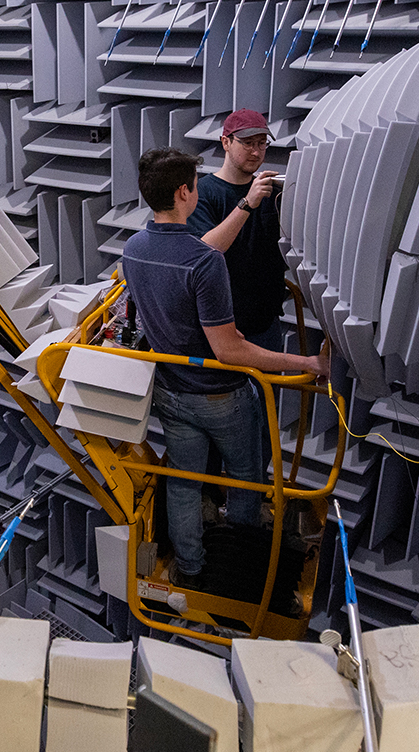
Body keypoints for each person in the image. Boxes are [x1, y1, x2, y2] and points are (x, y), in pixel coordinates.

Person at [121, 148, 328, 590]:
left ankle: (191, 569)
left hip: (171, 392)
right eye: (195, 183)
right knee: (246, 479)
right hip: (220, 396)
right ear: (184, 192)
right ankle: (245, 567)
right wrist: (306, 363)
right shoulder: (204, 263)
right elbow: (231, 350)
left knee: (183, 482)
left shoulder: (135, 248)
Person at [188, 109, 285, 351]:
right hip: (223, 325)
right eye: (248, 143)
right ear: (226, 142)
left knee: (266, 390)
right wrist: (247, 203)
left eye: (262, 144)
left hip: (266, 323)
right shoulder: (203, 192)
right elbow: (207, 250)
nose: (255, 151)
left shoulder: (271, 192)